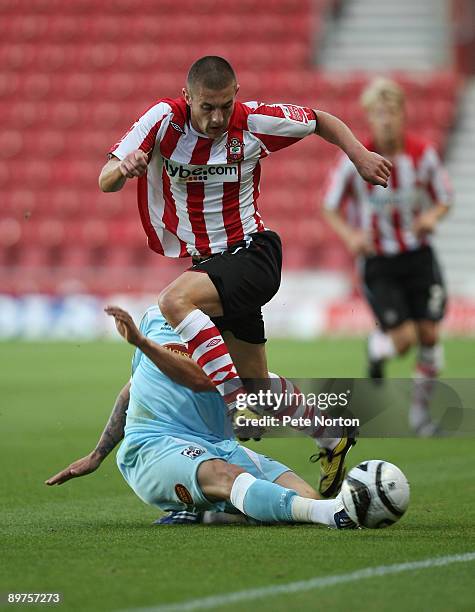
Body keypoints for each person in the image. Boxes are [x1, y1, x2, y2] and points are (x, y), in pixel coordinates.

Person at [98, 55, 391, 413]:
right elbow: (105, 179)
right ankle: (330, 432)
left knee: (173, 302)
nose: (217, 118)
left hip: (252, 255)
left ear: (236, 94)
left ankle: (236, 403)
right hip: (212, 266)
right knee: (260, 388)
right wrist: (124, 168)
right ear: (187, 97)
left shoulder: (253, 121)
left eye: (225, 106)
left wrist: (359, 156)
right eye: (207, 107)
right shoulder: (162, 120)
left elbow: (319, 121)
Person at [46, 305, 357, 529]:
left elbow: (213, 379)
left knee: (305, 497)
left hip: (219, 445)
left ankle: (209, 513)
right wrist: (98, 454)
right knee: (235, 480)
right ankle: (333, 514)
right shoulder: (156, 317)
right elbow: (133, 388)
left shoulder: (237, 336)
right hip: (154, 445)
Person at [323, 78, 453, 436]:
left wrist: (432, 216)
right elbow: (330, 206)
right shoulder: (355, 158)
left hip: (418, 256)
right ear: (369, 117)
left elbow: (445, 196)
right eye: (379, 113)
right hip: (379, 262)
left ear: (402, 115)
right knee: (405, 338)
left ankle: (421, 418)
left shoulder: (421, 154)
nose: (386, 120)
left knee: (429, 333)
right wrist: (350, 235)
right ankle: (378, 346)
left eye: (392, 112)